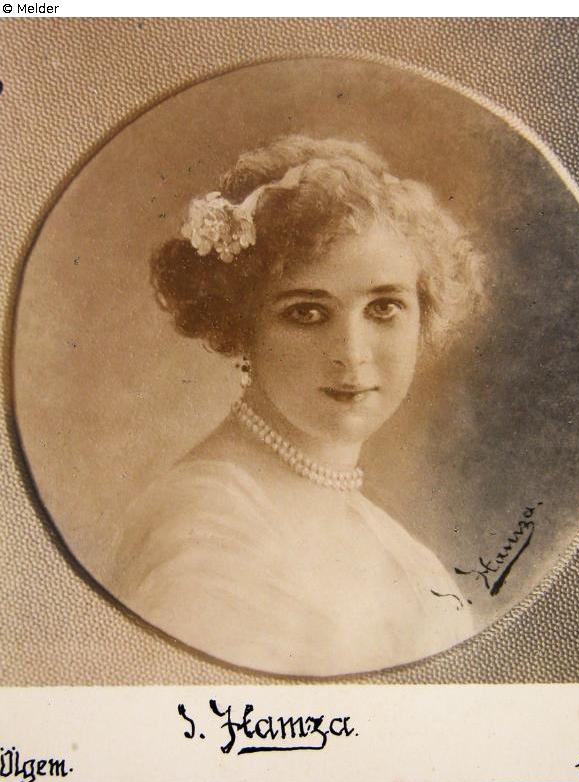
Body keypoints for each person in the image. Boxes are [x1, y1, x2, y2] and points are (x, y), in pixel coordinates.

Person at [111, 135, 483, 676]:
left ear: (423, 315)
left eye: (384, 308)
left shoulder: (390, 540)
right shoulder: (206, 529)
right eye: (307, 313)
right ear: (242, 327)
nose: (352, 353)